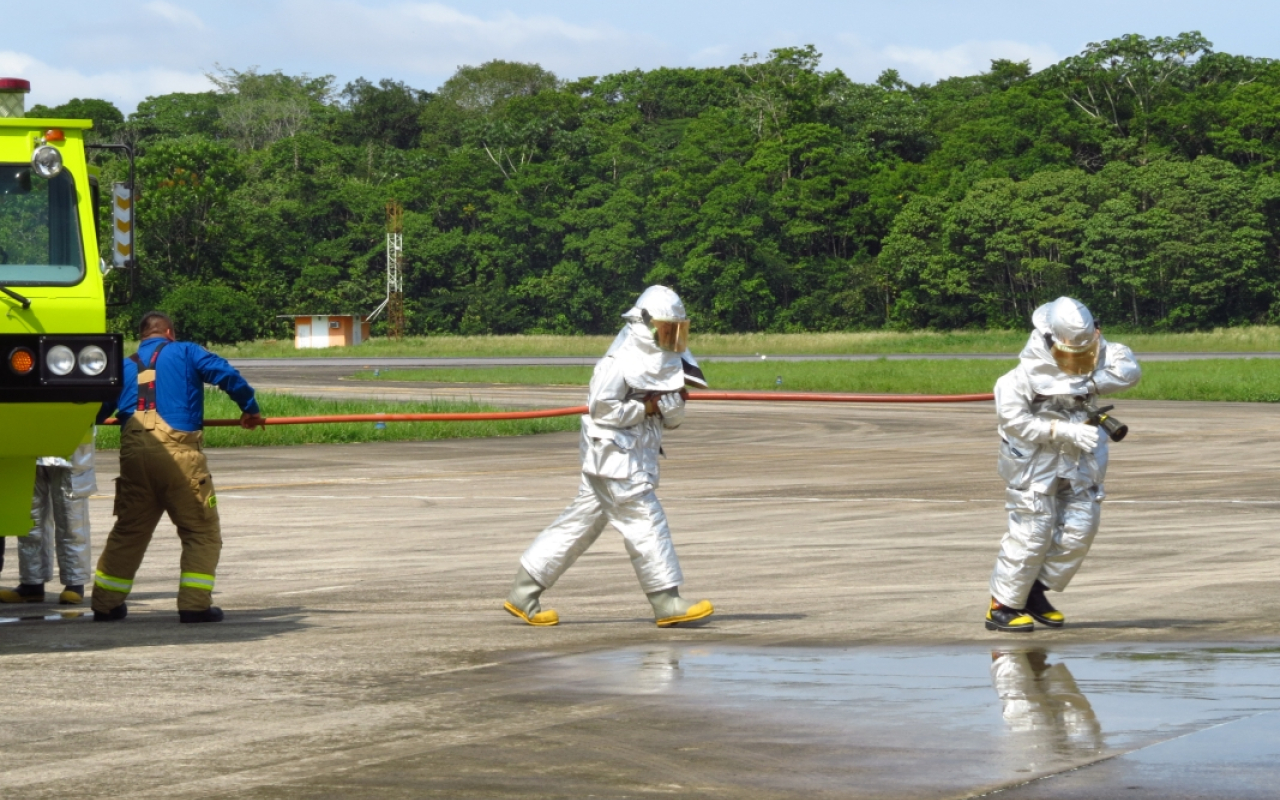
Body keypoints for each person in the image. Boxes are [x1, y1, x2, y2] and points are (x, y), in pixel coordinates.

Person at [505, 285, 714, 628]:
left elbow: (671, 417)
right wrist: (645, 407)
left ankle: (523, 593)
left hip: (630, 458)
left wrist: (672, 410)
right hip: (616, 460)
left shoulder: (666, 360)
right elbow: (603, 411)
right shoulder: (617, 364)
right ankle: (666, 601)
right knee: (646, 522)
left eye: (674, 330)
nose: (669, 337)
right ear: (643, 323)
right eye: (664, 328)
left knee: (579, 524)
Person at [91, 311, 263, 623]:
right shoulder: (186, 351)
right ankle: (194, 605)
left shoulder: (125, 362)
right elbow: (227, 376)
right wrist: (250, 409)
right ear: (169, 332)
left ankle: (105, 603)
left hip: (133, 451)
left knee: (129, 530)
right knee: (201, 530)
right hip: (177, 451)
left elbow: (100, 409)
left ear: (142, 335)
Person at [986, 297, 1141, 633]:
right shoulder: (1017, 379)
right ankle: (1002, 605)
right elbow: (1016, 423)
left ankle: (1033, 593)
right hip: (1034, 466)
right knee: (1032, 534)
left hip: (1081, 462)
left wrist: (1089, 384)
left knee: (1080, 529)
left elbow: (1129, 370)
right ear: (1049, 338)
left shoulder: (1098, 354)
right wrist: (1062, 429)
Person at [0, 431, 97, 605]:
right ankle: (32, 583)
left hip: (72, 444)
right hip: (29, 443)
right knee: (30, 518)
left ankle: (74, 584)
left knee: (70, 517)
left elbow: (105, 405)